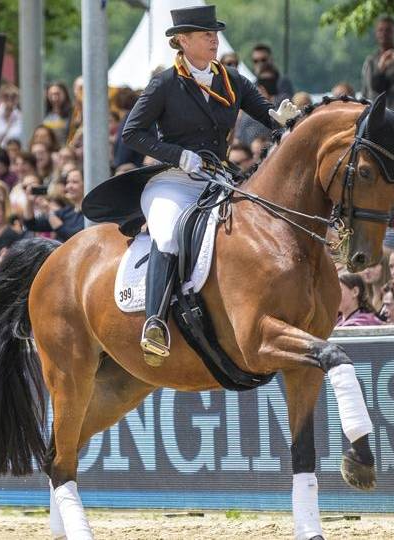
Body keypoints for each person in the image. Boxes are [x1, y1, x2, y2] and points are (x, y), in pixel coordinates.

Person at [121, 5, 289, 363]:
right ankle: (155, 322)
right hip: (174, 181)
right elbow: (132, 133)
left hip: (218, 178)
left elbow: (267, 113)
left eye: (214, 34)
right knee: (167, 235)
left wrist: (287, 118)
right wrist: (177, 155)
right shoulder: (165, 83)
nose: (214, 40)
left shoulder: (232, 80)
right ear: (182, 41)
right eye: (205, 34)